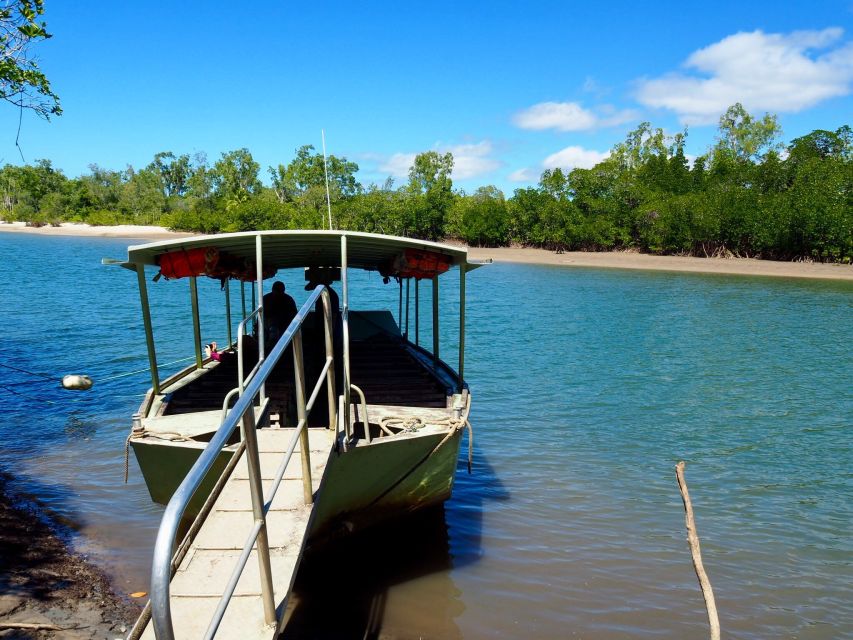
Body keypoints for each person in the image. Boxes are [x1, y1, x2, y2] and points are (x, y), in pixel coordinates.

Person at [263, 281, 297, 349]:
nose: (278, 293)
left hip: (283, 323)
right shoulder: (289, 299)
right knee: (273, 328)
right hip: (271, 323)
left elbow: (293, 314)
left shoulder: (266, 298)